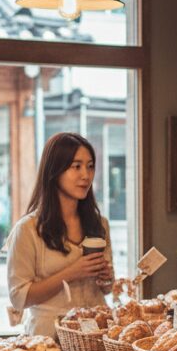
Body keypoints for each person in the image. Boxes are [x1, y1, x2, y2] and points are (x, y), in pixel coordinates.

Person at [7, 131, 114, 336]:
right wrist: (72, 272)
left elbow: (107, 289)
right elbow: (20, 298)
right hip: (48, 337)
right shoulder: (28, 229)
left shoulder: (100, 224)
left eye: (90, 166)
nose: (86, 175)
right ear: (54, 171)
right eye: (76, 166)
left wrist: (106, 278)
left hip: (96, 332)